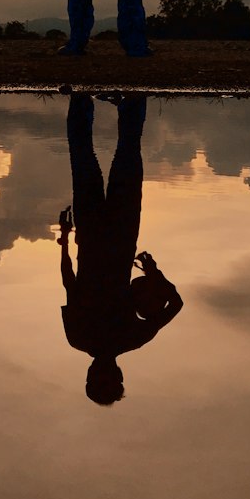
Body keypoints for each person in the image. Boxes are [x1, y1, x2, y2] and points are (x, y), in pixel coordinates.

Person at [59, 93, 183, 405]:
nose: (100, 374)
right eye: (106, 380)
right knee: (100, 157)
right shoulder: (115, 338)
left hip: (108, 235)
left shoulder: (118, 339)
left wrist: (64, 238)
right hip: (105, 235)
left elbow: (70, 284)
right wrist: (155, 275)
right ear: (118, 376)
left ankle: (116, 98)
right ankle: (88, 97)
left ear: (89, 376)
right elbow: (68, 282)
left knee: (105, 157)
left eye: (96, 380)